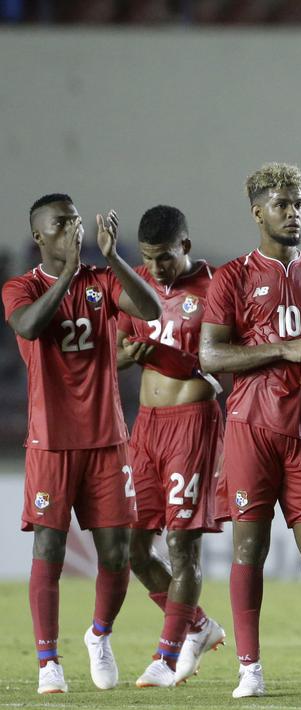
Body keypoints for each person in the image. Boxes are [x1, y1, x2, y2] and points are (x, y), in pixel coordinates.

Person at [200, 163, 301, 698]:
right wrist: (282, 349)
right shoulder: (234, 277)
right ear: (258, 212)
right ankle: (249, 667)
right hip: (251, 428)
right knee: (249, 550)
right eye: (282, 205)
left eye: (297, 204)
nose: (293, 213)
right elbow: (209, 354)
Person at [5, 197, 160, 695]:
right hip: (50, 443)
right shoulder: (21, 287)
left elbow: (152, 309)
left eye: (75, 220)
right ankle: (49, 662)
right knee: (48, 547)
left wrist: (114, 259)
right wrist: (70, 276)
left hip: (106, 442)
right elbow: (29, 326)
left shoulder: (101, 279)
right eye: (60, 222)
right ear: (39, 237)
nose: (72, 227)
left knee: (115, 555)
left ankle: (99, 636)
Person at [117, 205, 227, 688]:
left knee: (182, 545)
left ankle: (165, 656)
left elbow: (229, 354)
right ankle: (198, 625)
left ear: (185, 245)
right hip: (146, 427)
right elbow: (115, 354)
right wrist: (130, 354)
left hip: (192, 423)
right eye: (148, 258)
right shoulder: (136, 286)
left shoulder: (216, 287)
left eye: (164, 257)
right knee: (132, 548)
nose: (156, 268)